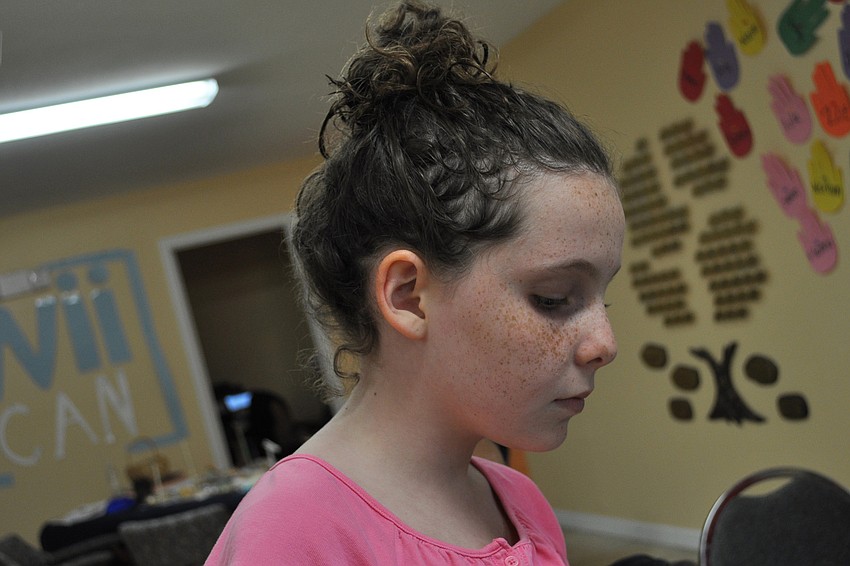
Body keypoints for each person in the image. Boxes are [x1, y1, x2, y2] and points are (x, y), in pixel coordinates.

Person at [205, 1, 624, 564]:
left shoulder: (519, 500)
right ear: (408, 297)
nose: (605, 343)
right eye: (553, 298)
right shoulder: (292, 533)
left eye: (603, 296)